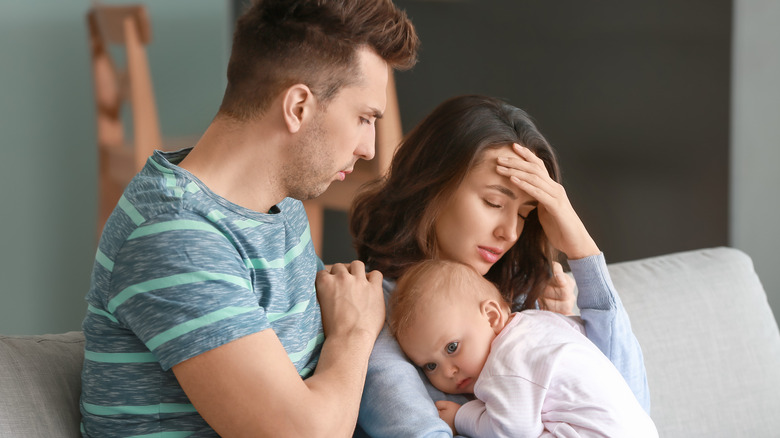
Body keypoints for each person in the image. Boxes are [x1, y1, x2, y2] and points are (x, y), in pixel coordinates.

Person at [79, 0, 419, 436]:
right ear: (298, 107)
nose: (369, 148)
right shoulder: (175, 235)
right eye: (363, 118)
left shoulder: (279, 204)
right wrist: (353, 331)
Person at [349, 95, 650, 437]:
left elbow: (629, 410)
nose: (509, 232)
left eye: (524, 214)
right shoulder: (378, 312)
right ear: (432, 185)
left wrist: (582, 250)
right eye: (494, 202)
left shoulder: (512, 308)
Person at [389, 259, 658, 438]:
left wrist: (463, 416)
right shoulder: (538, 322)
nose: (448, 371)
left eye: (452, 347)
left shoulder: (504, 360)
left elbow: (513, 430)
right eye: (430, 366)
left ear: (492, 317)